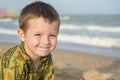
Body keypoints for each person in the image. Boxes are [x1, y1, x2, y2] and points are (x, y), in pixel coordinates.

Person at [0, 1, 60, 80]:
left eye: (52, 35)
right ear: (22, 35)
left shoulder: (46, 56)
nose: (46, 42)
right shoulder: (15, 62)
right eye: (38, 35)